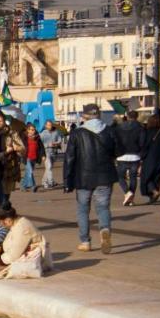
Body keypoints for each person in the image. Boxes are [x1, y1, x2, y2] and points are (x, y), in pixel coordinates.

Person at [63, 102, 118, 253]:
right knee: (103, 207)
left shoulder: (77, 133)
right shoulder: (109, 131)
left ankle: (85, 241)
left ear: (84, 116)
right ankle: (104, 230)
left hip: (83, 177)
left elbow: (69, 158)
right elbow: (117, 151)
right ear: (99, 115)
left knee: (82, 209)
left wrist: (67, 180)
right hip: (105, 176)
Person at [113, 109, 146, 207]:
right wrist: (141, 155)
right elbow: (142, 142)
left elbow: (115, 141)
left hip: (121, 155)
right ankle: (131, 199)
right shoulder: (141, 127)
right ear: (137, 117)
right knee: (133, 177)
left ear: (127, 117)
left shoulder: (119, 127)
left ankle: (127, 193)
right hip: (135, 155)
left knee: (120, 177)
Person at [142, 114, 160, 204]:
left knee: (147, 176)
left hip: (150, 158)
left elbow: (145, 146)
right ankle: (153, 197)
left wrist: (142, 156)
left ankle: (154, 192)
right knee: (157, 177)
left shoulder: (147, 132)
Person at [39, 120, 62, 189]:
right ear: (45, 126)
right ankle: (50, 182)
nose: (50, 126)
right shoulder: (43, 134)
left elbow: (60, 139)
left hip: (54, 152)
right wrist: (48, 145)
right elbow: (40, 144)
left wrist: (57, 143)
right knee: (48, 167)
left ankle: (44, 181)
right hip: (46, 152)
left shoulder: (56, 132)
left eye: (51, 125)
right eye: (48, 125)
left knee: (49, 168)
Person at [22, 124, 41, 193]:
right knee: (30, 172)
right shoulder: (24, 137)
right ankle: (33, 186)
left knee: (28, 173)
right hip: (27, 158)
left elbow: (41, 147)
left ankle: (23, 185)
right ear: (27, 130)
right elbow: (21, 147)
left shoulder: (37, 138)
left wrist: (43, 155)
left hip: (34, 157)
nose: (32, 131)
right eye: (30, 130)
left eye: (33, 130)